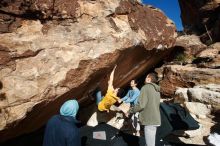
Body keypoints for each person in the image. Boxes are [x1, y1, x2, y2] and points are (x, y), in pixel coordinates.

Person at [129, 73, 161, 146]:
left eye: (146, 77)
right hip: (156, 119)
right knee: (151, 143)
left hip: (149, 119)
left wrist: (130, 111)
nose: (145, 79)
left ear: (148, 79)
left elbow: (141, 105)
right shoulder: (157, 90)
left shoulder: (145, 87)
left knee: (149, 144)